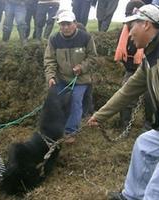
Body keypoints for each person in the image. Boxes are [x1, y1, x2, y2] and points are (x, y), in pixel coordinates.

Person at [87, 4, 159, 200]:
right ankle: (131, 196)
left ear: (146, 24)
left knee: (155, 191)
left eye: (131, 26)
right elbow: (128, 90)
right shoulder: (150, 56)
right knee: (145, 144)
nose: (128, 34)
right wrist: (100, 115)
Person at [45, 10, 97, 143]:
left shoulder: (86, 37)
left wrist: (82, 67)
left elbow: (92, 57)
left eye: (68, 24)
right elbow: (49, 60)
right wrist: (51, 77)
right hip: (62, 78)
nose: (65, 27)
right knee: (57, 102)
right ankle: (56, 127)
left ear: (75, 23)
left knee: (75, 100)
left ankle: (70, 132)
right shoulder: (54, 39)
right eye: (62, 24)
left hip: (81, 79)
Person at [114, 0, 146, 128]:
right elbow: (121, 52)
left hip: (149, 69)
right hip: (131, 69)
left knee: (152, 98)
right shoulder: (122, 33)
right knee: (125, 95)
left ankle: (150, 126)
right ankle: (124, 126)